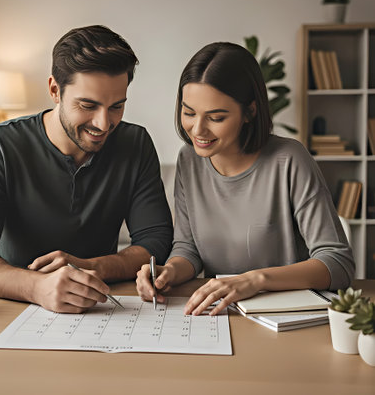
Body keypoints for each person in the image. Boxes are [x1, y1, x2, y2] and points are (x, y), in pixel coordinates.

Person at [0, 25, 173, 313]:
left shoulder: (135, 143)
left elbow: (157, 241)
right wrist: (37, 287)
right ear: (55, 90)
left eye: (116, 106)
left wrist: (93, 267)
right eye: (87, 105)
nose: (104, 124)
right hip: (14, 308)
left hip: (104, 307)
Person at [136, 42, 355, 316]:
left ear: (250, 111)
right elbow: (188, 247)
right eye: (189, 112)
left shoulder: (289, 159)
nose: (198, 129)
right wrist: (168, 272)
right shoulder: (189, 160)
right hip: (222, 314)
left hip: (284, 317)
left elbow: (337, 262)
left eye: (216, 117)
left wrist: (255, 280)